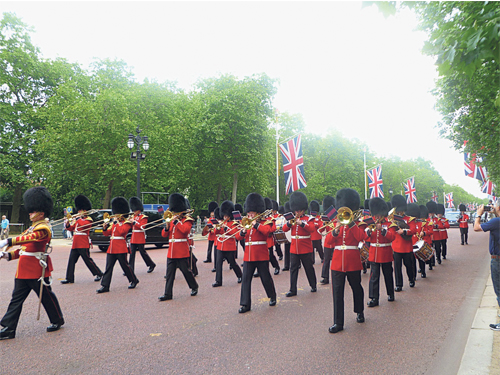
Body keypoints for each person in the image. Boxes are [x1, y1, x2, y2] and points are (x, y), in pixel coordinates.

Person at [0, 187, 64, 340]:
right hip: (23, 270)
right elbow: (24, 249)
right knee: (16, 299)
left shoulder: (43, 229)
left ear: (41, 212)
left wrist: (8, 240)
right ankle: (9, 328)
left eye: (32, 211)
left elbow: (29, 239)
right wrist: (6, 255)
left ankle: (57, 319)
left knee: (46, 297)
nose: (30, 213)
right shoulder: (32, 227)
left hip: (37, 270)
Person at [329, 188, 366, 333]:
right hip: (338, 262)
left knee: (356, 287)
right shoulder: (335, 221)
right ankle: (338, 322)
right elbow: (329, 243)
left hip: (352, 260)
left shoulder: (359, 222)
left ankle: (359, 311)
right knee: (337, 293)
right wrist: (335, 231)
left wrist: (351, 224)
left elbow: (361, 237)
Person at [236, 193, 277, 313]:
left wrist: (256, 224)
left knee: (265, 277)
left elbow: (267, 231)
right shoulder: (246, 222)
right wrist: (243, 231)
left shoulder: (266, 221)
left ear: (258, 212)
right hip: (248, 255)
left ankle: (272, 296)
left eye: (252, 213)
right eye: (249, 213)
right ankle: (245, 304)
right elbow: (238, 237)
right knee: (246, 279)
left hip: (261, 254)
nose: (249, 215)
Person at [159, 193, 198, 301]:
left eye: (175, 211)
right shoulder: (171, 220)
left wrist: (176, 221)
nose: (174, 213)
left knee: (186, 271)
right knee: (169, 274)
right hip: (171, 251)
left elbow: (185, 231)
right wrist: (167, 226)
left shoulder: (187, 220)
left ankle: (194, 286)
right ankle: (167, 294)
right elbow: (164, 235)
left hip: (181, 250)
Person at [97, 197, 139, 293]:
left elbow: (121, 232)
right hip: (112, 248)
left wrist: (116, 222)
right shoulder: (114, 223)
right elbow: (107, 233)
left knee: (125, 266)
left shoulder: (126, 223)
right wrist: (104, 228)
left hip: (121, 248)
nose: (115, 215)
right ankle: (105, 285)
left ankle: (133, 280)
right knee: (108, 267)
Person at [61, 195, 103, 284]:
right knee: (71, 260)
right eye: (79, 210)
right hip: (76, 243)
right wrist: (68, 223)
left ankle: (99, 273)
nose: (79, 212)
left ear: (85, 211)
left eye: (80, 210)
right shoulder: (78, 219)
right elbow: (72, 228)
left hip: (83, 243)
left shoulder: (88, 219)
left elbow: (83, 225)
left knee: (87, 260)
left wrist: (76, 218)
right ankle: (69, 278)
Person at [282, 191, 317, 297]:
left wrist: (302, 224)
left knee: (308, 267)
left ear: (303, 209)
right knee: (293, 269)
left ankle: (313, 285)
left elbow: (311, 229)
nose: (297, 212)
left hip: (305, 248)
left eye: (299, 210)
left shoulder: (308, 219)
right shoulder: (292, 219)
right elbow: (284, 229)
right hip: (294, 248)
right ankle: (293, 289)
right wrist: (289, 223)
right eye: (296, 210)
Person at [365, 197, 396, 307]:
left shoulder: (390, 225)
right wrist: (368, 232)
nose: (377, 217)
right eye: (376, 215)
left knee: (388, 275)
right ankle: (374, 298)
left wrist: (382, 230)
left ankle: (390, 293)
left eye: (379, 215)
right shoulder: (370, 223)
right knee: (374, 277)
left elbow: (392, 237)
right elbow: (366, 238)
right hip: (374, 253)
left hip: (386, 253)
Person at [474, 201, 500, 331]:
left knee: (499, 291)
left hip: (498, 260)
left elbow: (476, 227)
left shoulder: (496, 222)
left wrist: (478, 215)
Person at [212, 200, 243, 287]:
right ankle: (218, 281)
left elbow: (234, 232)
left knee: (232, 263)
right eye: (224, 215)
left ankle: (240, 275)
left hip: (229, 246)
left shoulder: (234, 223)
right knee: (218, 264)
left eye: (226, 215)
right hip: (220, 245)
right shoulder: (222, 222)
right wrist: (218, 227)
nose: (225, 217)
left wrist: (225, 228)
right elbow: (216, 232)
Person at [391, 195, 417, 291]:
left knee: (408, 265)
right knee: (397, 267)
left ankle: (411, 279)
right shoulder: (393, 219)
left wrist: (405, 231)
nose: (399, 212)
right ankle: (399, 284)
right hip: (396, 246)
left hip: (406, 246)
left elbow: (413, 230)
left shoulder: (409, 219)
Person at [128, 196, 156, 274]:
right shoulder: (133, 216)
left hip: (140, 236)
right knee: (132, 253)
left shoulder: (143, 217)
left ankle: (151, 264)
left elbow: (142, 226)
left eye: (135, 210)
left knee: (142, 252)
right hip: (134, 237)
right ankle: (130, 269)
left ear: (139, 210)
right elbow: (130, 227)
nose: (134, 211)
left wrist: (134, 222)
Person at [320, 195, 336, 285]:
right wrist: (324, 223)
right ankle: (325, 277)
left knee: (336, 260)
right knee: (326, 260)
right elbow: (321, 230)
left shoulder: (337, 216)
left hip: (335, 242)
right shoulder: (326, 217)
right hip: (327, 242)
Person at [309, 200, 324, 264]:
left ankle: (323, 258)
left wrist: (316, 225)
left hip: (317, 236)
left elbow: (321, 225)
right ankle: (312, 260)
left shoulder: (319, 217)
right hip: (311, 236)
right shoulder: (310, 218)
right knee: (311, 249)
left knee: (319, 248)